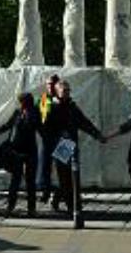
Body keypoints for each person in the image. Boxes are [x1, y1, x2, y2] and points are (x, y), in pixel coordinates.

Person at [44, 81, 103, 216]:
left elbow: (84, 122)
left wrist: (97, 135)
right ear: (57, 91)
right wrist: (59, 135)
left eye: (68, 90)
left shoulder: (72, 107)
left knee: (72, 176)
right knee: (66, 177)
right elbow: (46, 129)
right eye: (64, 90)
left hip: (72, 144)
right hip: (61, 146)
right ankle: (73, 206)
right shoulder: (51, 107)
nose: (67, 93)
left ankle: (59, 199)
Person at [0, 93, 41, 217]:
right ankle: (10, 206)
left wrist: (29, 115)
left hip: (30, 151)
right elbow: (8, 125)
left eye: (23, 102)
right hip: (16, 151)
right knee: (15, 180)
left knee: (30, 181)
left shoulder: (35, 113)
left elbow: (39, 128)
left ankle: (31, 209)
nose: (21, 104)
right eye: (21, 102)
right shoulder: (17, 113)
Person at [34, 74, 61, 206]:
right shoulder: (44, 99)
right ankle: (46, 191)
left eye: (52, 84)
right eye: (48, 84)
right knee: (45, 166)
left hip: (62, 140)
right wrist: (42, 133)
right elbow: (38, 119)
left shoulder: (62, 98)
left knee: (64, 167)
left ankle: (61, 194)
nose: (50, 86)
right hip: (47, 138)